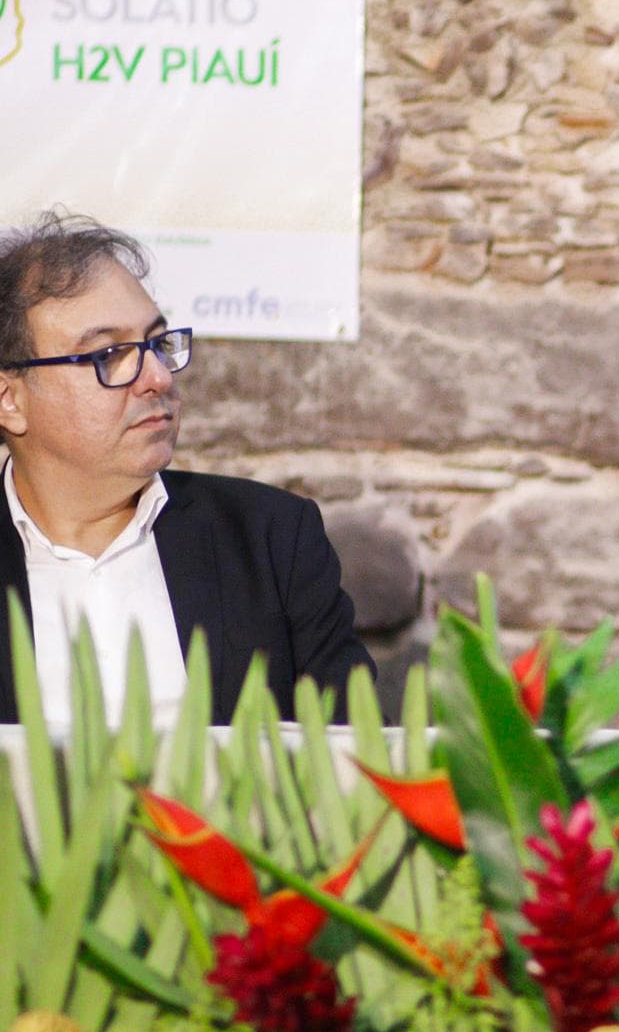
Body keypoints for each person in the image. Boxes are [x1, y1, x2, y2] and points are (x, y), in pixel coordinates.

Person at [0, 212, 372, 725]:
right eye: (109, 354)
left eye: (157, 344)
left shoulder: (272, 540)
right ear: (9, 400)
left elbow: (359, 754)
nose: (156, 377)